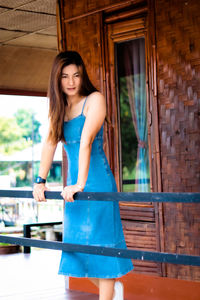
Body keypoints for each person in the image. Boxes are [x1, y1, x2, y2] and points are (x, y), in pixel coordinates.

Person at [33, 51, 133, 300]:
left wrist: (80, 182)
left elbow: (86, 141)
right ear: (57, 79)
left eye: (76, 75)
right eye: (65, 76)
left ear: (82, 76)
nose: (71, 82)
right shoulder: (59, 108)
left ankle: (109, 292)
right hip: (72, 189)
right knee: (76, 251)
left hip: (96, 182)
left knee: (102, 248)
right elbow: (49, 144)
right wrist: (40, 181)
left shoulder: (94, 99)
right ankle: (112, 290)